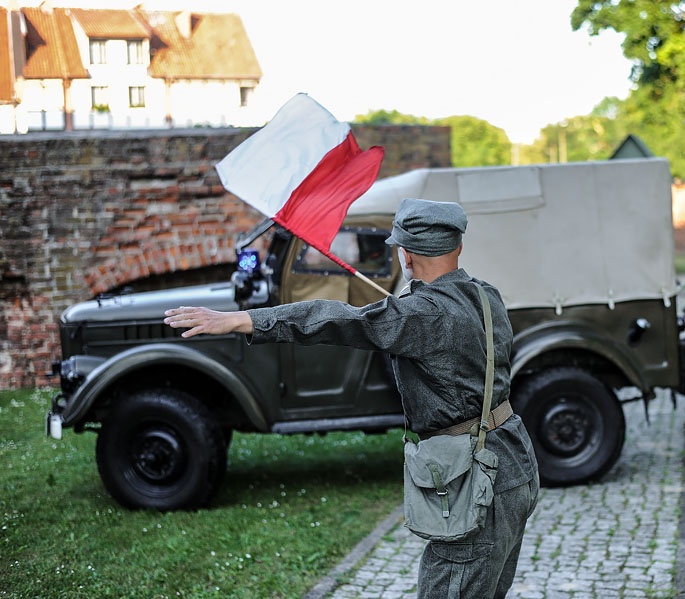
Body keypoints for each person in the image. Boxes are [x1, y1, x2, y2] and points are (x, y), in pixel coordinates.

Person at [164, 198, 540, 598]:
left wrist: (245, 319)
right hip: (514, 466)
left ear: (406, 255)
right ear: (458, 246)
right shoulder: (485, 295)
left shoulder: (419, 316)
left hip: (477, 485)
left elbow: (340, 319)